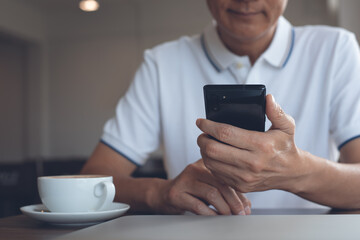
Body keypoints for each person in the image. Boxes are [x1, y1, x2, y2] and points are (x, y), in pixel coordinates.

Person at [81, 0, 360, 215]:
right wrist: (159, 192)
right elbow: (88, 183)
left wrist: (297, 171)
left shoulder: (336, 49)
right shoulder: (161, 64)